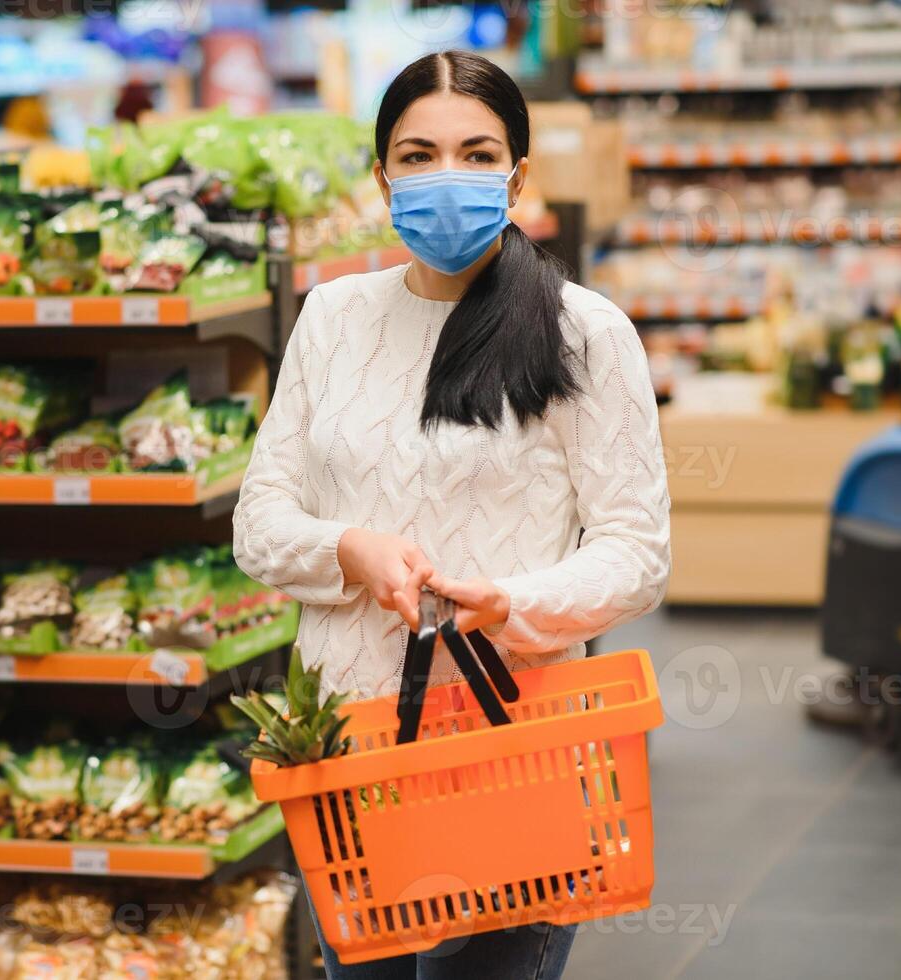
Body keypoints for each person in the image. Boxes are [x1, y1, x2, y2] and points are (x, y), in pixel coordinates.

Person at [231, 50, 671, 979]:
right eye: (419, 153)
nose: (447, 176)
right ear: (381, 175)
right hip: (350, 754)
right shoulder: (331, 317)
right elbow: (260, 522)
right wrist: (349, 547)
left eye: (477, 154)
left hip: (512, 748)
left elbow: (636, 554)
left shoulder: (584, 331)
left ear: (517, 175)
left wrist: (508, 601)